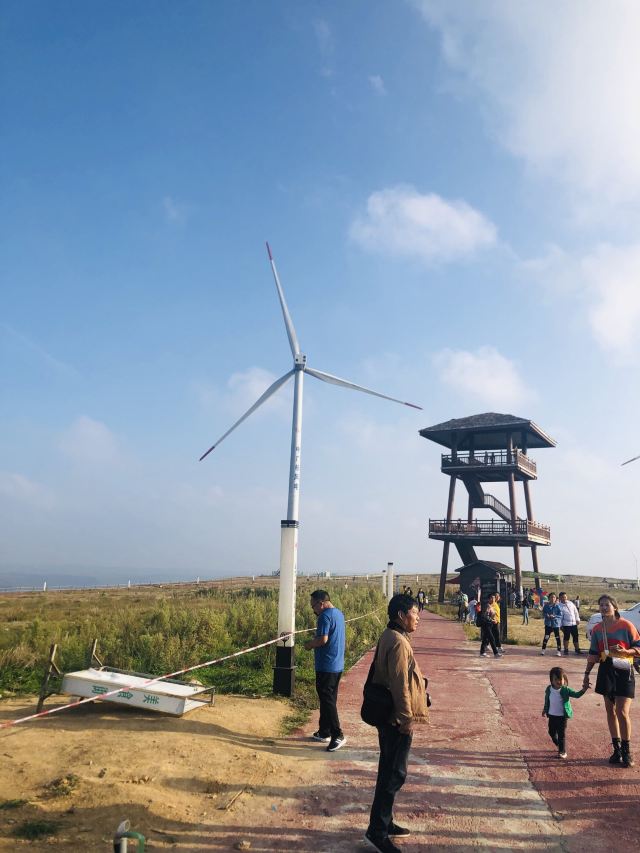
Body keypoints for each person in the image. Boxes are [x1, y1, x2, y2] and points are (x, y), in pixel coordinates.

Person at [364, 593, 428, 853]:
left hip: (389, 716)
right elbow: (399, 684)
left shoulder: (390, 635)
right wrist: (406, 718)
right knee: (393, 775)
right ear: (402, 615)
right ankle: (377, 831)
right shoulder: (398, 641)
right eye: (415, 613)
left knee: (388, 771)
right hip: (395, 720)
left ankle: (385, 822)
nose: (418, 619)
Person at [583, 594, 640, 767]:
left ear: (614, 607)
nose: (603, 607)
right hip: (606, 669)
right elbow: (593, 654)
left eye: (607, 604)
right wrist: (586, 674)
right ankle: (616, 750)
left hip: (624, 669)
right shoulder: (597, 630)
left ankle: (626, 751)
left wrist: (626, 651)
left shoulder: (626, 625)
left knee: (622, 711)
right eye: (601, 605)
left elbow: (638, 646)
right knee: (610, 711)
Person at [304, 590, 346, 752]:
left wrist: (309, 644)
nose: (313, 610)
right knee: (328, 699)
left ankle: (337, 734)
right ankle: (324, 731)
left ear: (321, 603)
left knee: (327, 700)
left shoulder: (324, 616)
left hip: (326, 665)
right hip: (337, 664)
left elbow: (323, 639)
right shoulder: (338, 614)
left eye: (313, 606)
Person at [542, 666, 588, 759]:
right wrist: (544, 709)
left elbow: (576, 695)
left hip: (562, 717)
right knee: (551, 732)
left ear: (564, 679)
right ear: (551, 680)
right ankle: (559, 744)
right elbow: (547, 700)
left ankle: (562, 751)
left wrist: (584, 689)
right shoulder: (549, 689)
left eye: (560, 679)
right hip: (552, 716)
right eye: (556, 679)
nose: (558, 681)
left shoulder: (566, 690)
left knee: (561, 734)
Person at [540, 592, 562, 656]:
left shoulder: (557, 606)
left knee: (557, 637)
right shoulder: (546, 606)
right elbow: (543, 613)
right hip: (548, 624)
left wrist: (555, 616)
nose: (552, 598)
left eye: (554, 597)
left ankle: (558, 651)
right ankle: (543, 650)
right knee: (546, 637)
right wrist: (546, 615)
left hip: (555, 624)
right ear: (549, 598)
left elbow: (560, 615)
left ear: (556, 598)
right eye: (551, 597)